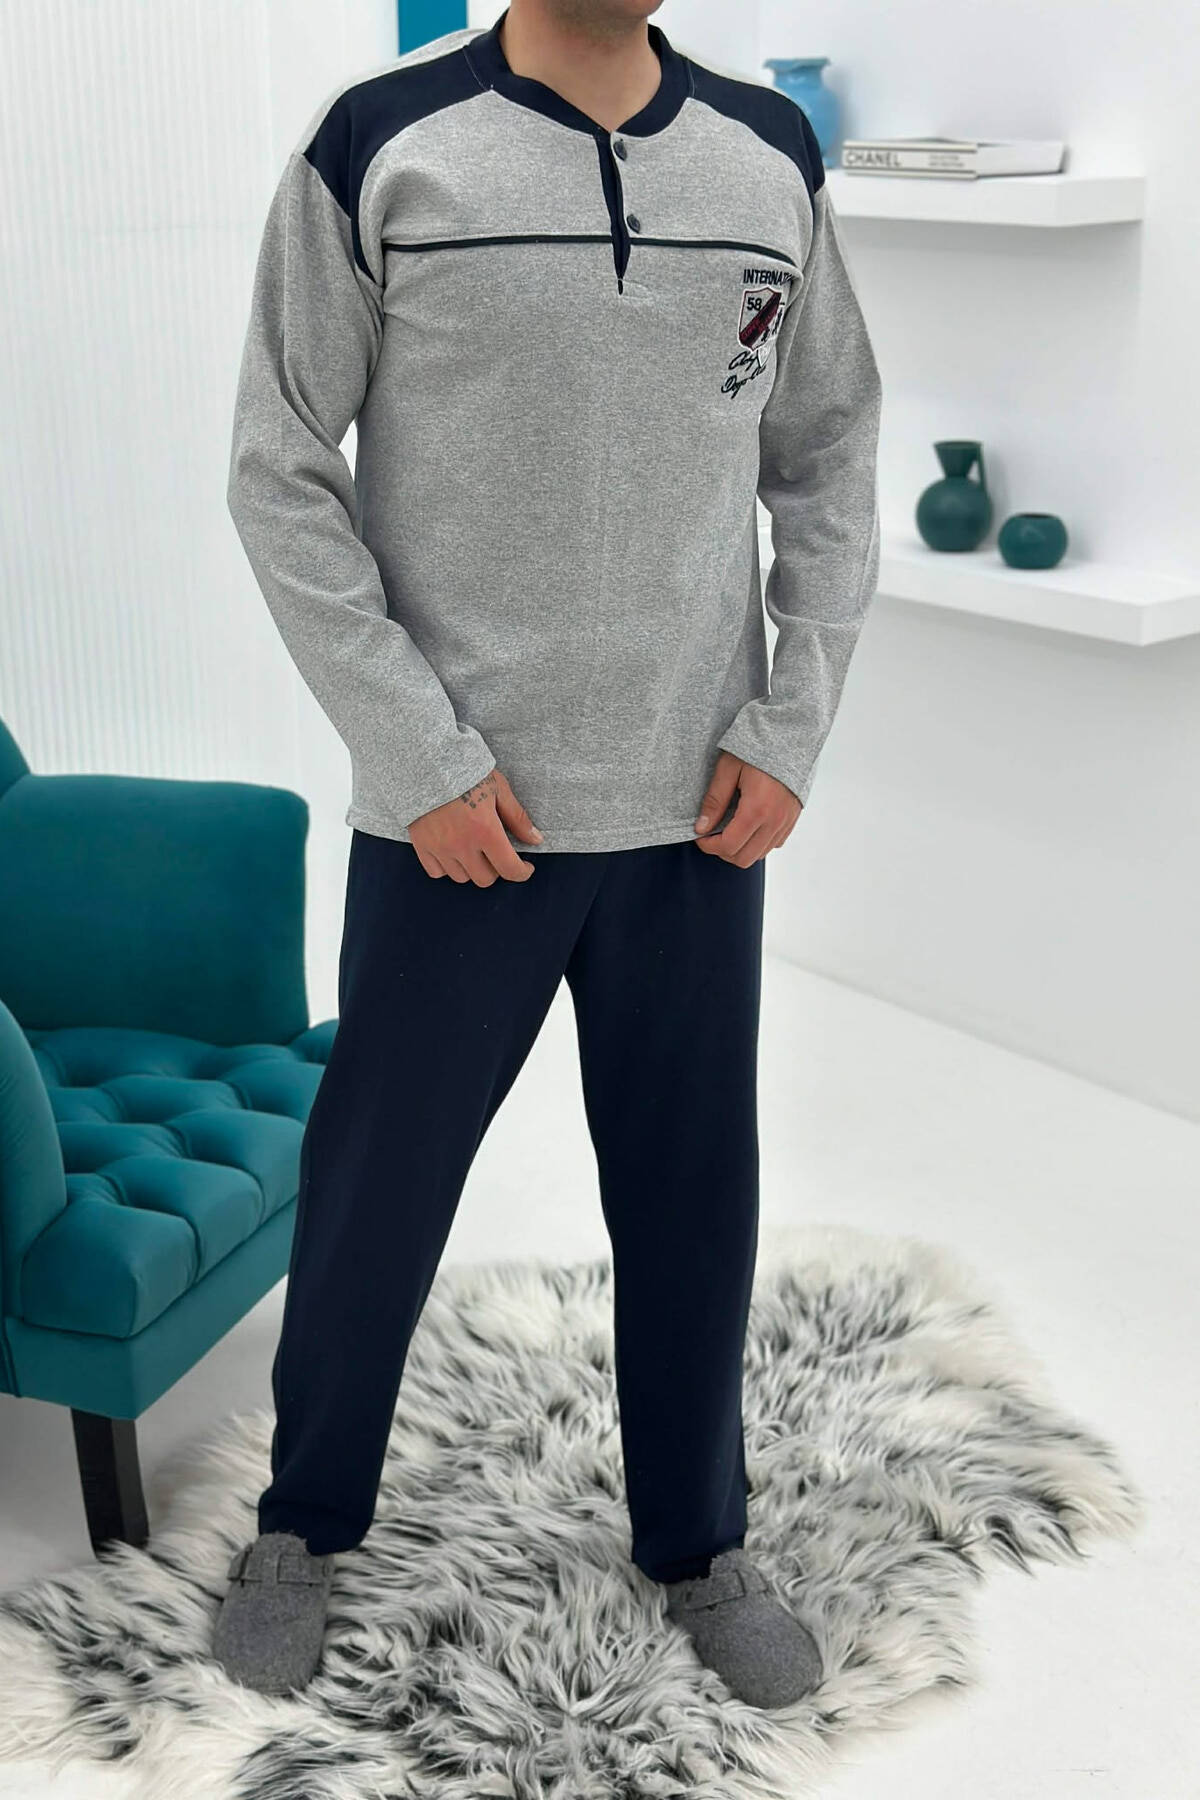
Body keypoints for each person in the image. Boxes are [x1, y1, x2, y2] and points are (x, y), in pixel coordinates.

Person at [213, 0, 881, 1711]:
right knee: (376, 1193)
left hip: (698, 811)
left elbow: (826, 458)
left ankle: (699, 1543)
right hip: (462, 819)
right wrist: (420, 758)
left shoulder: (766, 156)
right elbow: (279, 470)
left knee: (691, 1193)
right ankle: (303, 1525)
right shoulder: (381, 143)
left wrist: (788, 725)